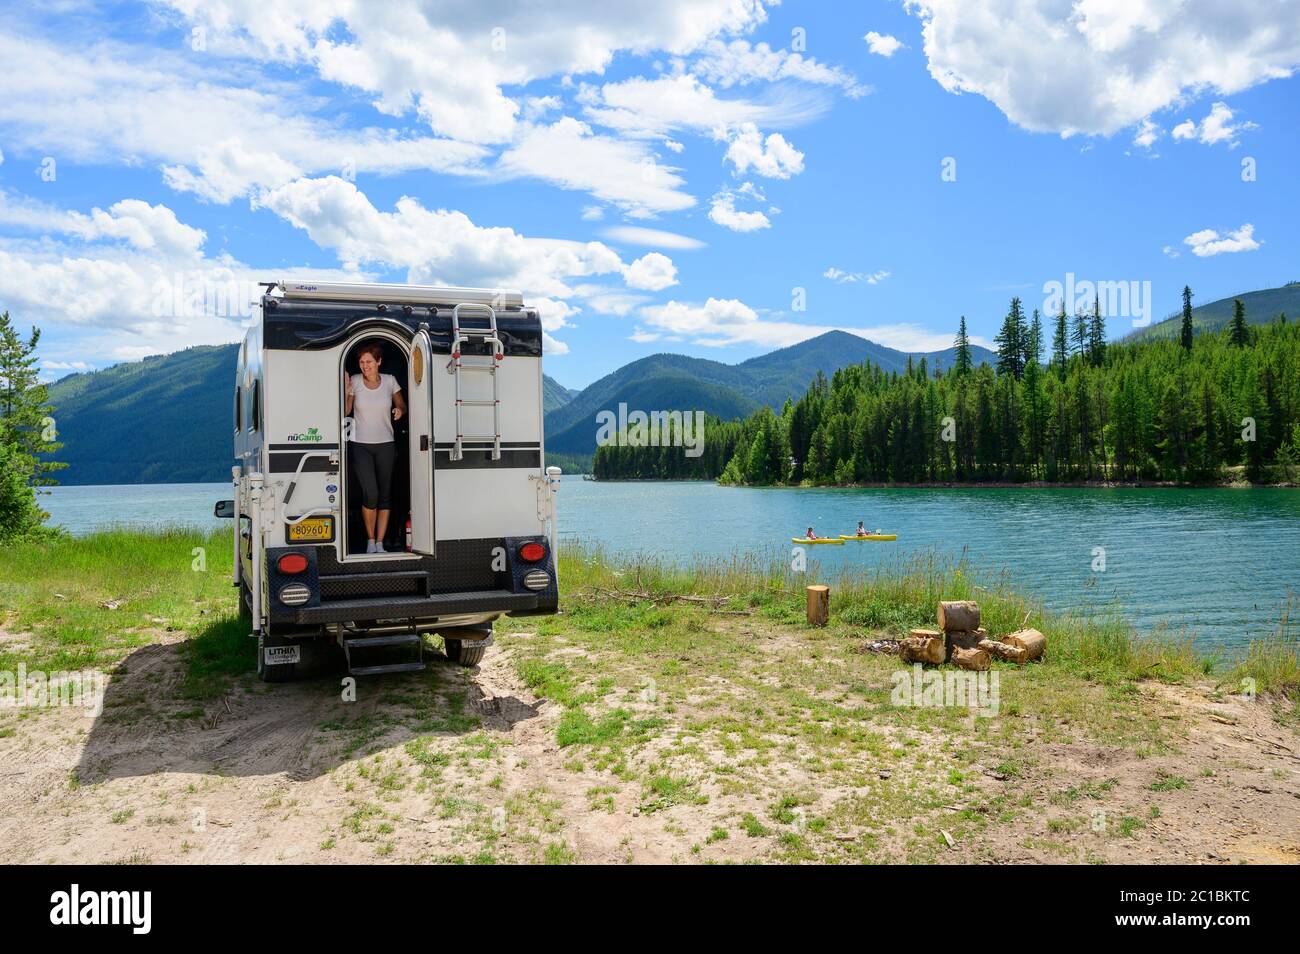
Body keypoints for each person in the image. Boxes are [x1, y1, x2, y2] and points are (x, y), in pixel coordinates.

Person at [344, 343, 406, 553]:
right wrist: (346, 392)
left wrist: (399, 410)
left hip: (386, 444)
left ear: (378, 361)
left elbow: (402, 405)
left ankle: (380, 543)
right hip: (360, 443)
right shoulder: (354, 381)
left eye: (369, 361)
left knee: (385, 495)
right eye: (362, 362)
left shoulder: (390, 381)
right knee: (371, 493)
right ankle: (370, 541)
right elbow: (347, 410)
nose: (365, 366)